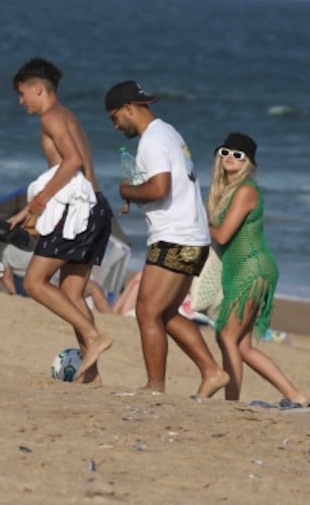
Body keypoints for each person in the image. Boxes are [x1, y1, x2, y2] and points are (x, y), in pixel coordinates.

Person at [105, 80, 229, 398]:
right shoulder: (169, 132)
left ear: (129, 109)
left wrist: (127, 190)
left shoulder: (152, 141)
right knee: (168, 314)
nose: (115, 126)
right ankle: (212, 372)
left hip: (176, 237)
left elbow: (160, 189)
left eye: (114, 117)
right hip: (193, 237)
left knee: (147, 312)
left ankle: (155, 386)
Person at [9, 57, 113, 384]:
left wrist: (39, 203)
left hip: (78, 211)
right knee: (71, 294)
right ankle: (91, 375)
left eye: (22, 93)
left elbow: (73, 162)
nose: (20, 100)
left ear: (38, 89)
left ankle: (94, 337)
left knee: (33, 282)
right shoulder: (68, 116)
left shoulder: (52, 117)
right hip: (96, 207)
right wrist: (29, 210)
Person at [206, 133, 310, 411]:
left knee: (227, 337)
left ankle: (231, 403)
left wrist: (194, 221)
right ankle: (296, 395)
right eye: (225, 152)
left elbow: (222, 235)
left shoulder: (245, 190)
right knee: (241, 345)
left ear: (249, 163)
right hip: (243, 268)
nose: (230, 157)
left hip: (252, 268)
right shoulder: (225, 191)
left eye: (238, 155)